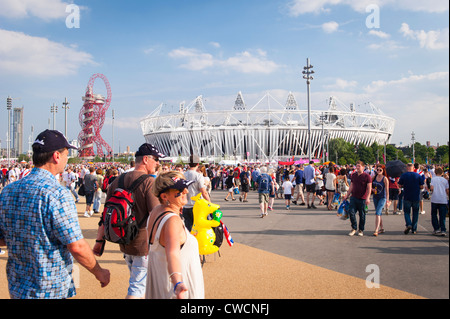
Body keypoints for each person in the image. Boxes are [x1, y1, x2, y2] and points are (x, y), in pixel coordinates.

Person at [0, 129, 110, 299]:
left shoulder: (8, 191)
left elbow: (2, 238)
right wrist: (99, 271)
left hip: (18, 287)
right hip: (49, 287)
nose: (67, 159)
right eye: (67, 154)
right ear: (57, 156)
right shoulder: (57, 194)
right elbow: (76, 246)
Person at [93, 143, 164, 299]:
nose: (158, 163)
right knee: (136, 288)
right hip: (143, 246)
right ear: (146, 159)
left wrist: (99, 241)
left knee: (139, 284)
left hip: (124, 242)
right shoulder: (149, 182)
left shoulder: (117, 181)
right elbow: (156, 215)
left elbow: (105, 215)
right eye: (156, 159)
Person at [145, 171, 204, 299]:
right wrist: (177, 282)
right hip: (174, 289)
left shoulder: (156, 211)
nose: (186, 192)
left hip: (161, 282)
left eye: (185, 187)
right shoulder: (172, 220)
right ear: (165, 196)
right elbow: (172, 254)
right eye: (180, 190)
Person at [182, 154, 211, 232]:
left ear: (188, 164)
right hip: (196, 206)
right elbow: (203, 192)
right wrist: (209, 203)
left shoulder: (183, 175)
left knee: (189, 229)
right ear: (198, 164)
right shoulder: (198, 176)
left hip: (186, 206)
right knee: (199, 230)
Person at [343, 161, 372, 236]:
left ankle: (361, 230)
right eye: (357, 166)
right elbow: (351, 186)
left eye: (359, 166)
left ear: (363, 167)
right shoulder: (354, 175)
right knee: (351, 212)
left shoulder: (367, 176)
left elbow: (369, 188)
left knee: (362, 215)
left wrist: (368, 198)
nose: (357, 167)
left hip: (363, 198)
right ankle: (354, 228)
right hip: (354, 197)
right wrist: (347, 195)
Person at [398, 163, 424, 234]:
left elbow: (400, 185)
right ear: (413, 168)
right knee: (415, 213)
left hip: (407, 196)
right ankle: (414, 229)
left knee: (407, 212)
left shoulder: (403, 175)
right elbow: (421, 186)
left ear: (407, 168)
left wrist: (404, 185)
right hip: (416, 196)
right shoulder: (418, 175)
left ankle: (409, 224)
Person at [429, 167, 449, 236]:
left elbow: (431, 188)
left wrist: (432, 191)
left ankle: (436, 229)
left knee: (434, 214)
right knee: (442, 215)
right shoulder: (445, 180)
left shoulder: (433, 179)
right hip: (443, 199)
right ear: (442, 172)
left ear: (435, 172)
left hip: (435, 198)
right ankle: (443, 229)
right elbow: (447, 190)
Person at [372, 165, 389, 236]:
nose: (378, 171)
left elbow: (387, 191)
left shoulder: (385, 179)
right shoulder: (374, 177)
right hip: (375, 197)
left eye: (380, 170)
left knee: (377, 213)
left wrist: (387, 201)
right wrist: (372, 189)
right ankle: (381, 228)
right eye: (377, 170)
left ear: (383, 171)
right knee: (378, 213)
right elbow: (370, 185)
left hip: (382, 197)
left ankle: (376, 229)